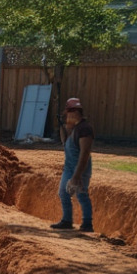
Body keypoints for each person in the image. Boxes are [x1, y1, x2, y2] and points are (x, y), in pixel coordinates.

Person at [50, 97, 94, 232]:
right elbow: (65, 143)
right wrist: (63, 128)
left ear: (75, 112)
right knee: (63, 193)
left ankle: (87, 224)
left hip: (79, 168)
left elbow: (85, 153)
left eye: (69, 113)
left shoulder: (85, 129)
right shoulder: (74, 128)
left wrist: (77, 175)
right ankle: (67, 220)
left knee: (81, 193)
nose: (67, 116)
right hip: (69, 167)